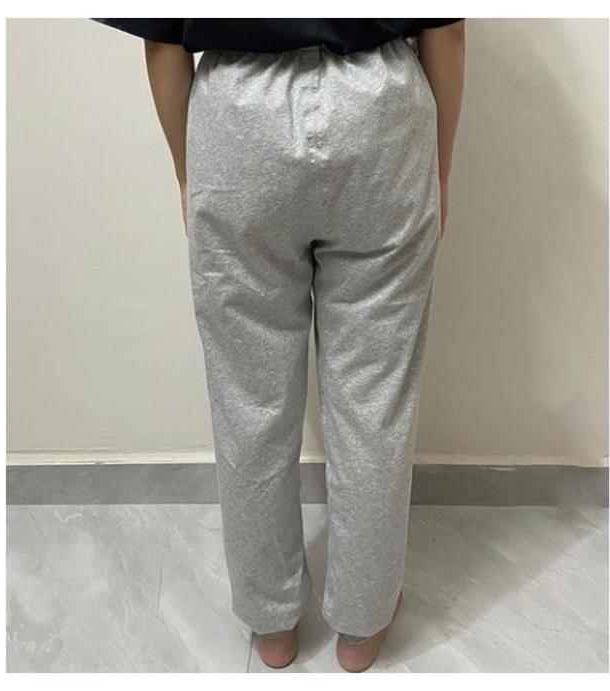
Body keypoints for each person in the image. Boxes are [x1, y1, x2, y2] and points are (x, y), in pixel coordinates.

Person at [94, 18, 466, 672]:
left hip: (238, 120)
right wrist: (440, 167)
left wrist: (188, 171)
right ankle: (363, 622)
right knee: (374, 400)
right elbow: (447, 30)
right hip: (381, 113)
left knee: (249, 399)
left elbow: (161, 39)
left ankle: (271, 622)